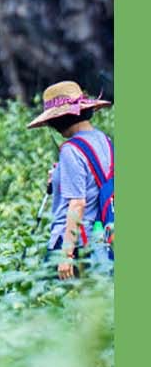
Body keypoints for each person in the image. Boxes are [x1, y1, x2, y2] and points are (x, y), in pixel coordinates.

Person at [27, 81, 114, 279]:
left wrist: (66, 255)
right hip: (101, 240)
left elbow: (77, 203)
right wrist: (59, 177)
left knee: (48, 295)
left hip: (74, 244)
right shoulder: (105, 140)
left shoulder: (71, 150)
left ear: (60, 119)